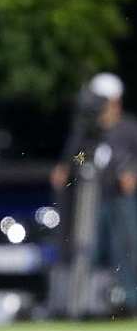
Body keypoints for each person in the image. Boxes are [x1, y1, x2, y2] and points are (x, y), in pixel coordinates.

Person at [51, 73, 137, 315]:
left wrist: (131, 172)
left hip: (121, 198)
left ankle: (130, 302)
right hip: (93, 198)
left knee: (127, 247)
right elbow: (78, 156)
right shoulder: (88, 132)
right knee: (90, 248)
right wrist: (71, 165)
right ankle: (88, 302)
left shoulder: (129, 129)